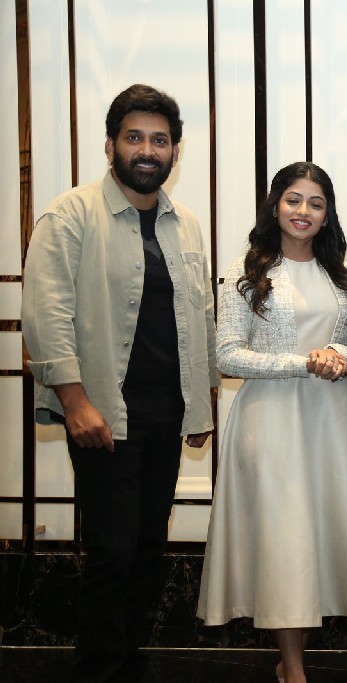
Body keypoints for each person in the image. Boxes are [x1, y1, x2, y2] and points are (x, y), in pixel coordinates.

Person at [21, 84, 217, 682]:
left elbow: (202, 316)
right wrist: (75, 402)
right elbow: (46, 314)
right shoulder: (70, 214)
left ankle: (129, 661)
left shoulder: (187, 226)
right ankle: (100, 670)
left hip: (166, 414)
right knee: (111, 552)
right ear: (111, 146)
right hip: (103, 414)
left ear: (175, 151)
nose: (147, 150)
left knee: (150, 548)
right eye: (135, 137)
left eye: (160, 140)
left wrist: (201, 406)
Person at [197, 162, 347, 683]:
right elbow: (227, 355)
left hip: (330, 424)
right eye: (294, 199)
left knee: (317, 532)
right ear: (275, 205)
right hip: (270, 422)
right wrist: (304, 363)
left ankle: (292, 660)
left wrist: (338, 356)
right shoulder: (247, 271)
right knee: (283, 537)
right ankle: (293, 667)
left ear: (327, 215)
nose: (303, 211)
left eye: (316, 204)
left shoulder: (341, 276)